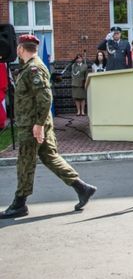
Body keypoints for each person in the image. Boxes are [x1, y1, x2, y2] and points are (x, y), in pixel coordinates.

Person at [0, 35, 97, 219]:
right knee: (50, 157)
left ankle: (19, 204)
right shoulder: (30, 67)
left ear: (21, 49)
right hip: (37, 124)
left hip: (33, 126)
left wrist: (38, 125)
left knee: (25, 163)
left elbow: (45, 98)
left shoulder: (33, 68)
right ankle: (82, 188)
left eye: (18, 49)